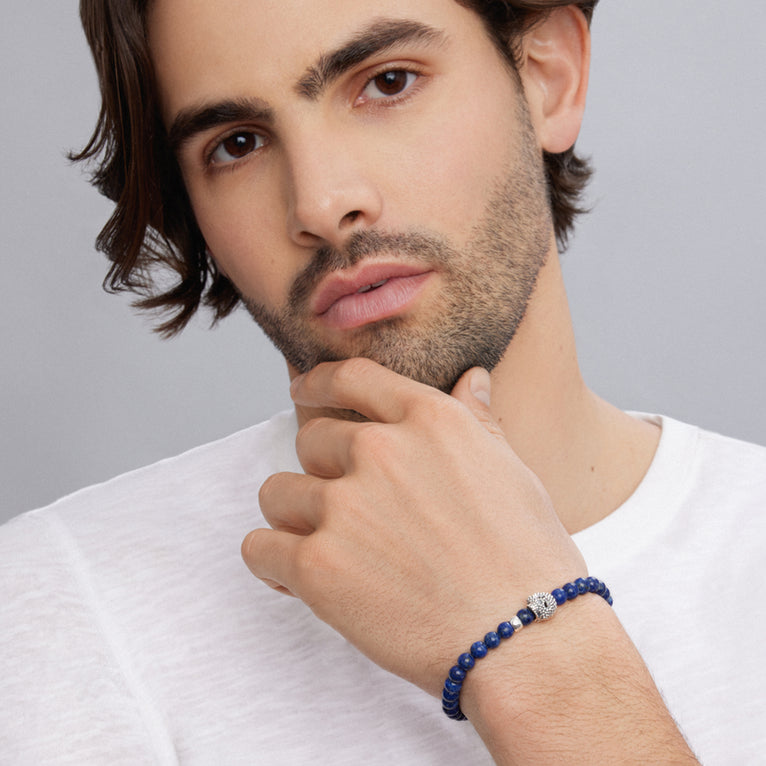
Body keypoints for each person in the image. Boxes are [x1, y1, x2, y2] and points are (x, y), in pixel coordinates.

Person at [1, 0, 764, 763]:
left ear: (547, 79)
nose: (322, 204)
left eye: (388, 82)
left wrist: (539, 661)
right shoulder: (62, 606)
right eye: (238, 144)